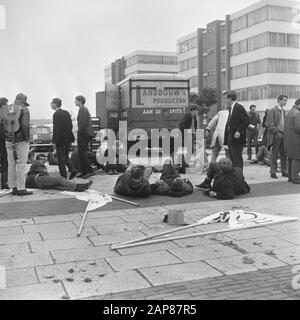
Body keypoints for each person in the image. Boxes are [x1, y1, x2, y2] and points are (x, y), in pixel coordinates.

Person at [0, 93, 32, 196]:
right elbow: (24, 125)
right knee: (21, 164)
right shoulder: (24, 109)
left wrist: (7, 137)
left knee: (11, 164)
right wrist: (27, 139)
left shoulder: (7, 109)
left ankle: (13, 187)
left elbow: (2, 124)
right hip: (21, 141)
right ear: (23, 101)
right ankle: (21, 188)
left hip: (9, 141)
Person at [25, 154, 92, 192]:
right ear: (40, 159)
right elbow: (45, 173)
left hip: (36, 182)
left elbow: (45, 173)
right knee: (59, 179)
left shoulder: (37, 164)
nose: (44, 162)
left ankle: (77, 188)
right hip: (37, 179)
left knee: (58, 186)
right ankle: (76, 186)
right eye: (43, 160)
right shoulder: (36, 162)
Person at [223, 91, 250, 171]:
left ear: (230, 99)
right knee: (233, 159)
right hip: (231, 138)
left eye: (225, 99)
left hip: (237, 139)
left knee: (237, 159)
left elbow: (246, 121)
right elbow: (229, 124)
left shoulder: (239, 107)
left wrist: (239, 130)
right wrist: (226, 140)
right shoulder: (231, 108)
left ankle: (239, 177)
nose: (225, 101)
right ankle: (234, 176)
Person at [51, 98, 77, 179]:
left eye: (52, 103)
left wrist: (54, 140)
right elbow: (71, 126)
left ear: (55, 104)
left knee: (60, 159)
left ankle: (63, 177)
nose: (51, 105)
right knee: (65, 155)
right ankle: (72, 169)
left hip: (60, 139)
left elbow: (56, 128)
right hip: (68, 138)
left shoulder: (56, 114)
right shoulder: (66, 113)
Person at [266, 95, 288, 179]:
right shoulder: (273, 110)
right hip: (276, 135)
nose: (286, 102)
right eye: (284, 100)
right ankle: (273, 171)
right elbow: (269, 124)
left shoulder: (283, 110)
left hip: (283, 135)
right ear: (279, 100)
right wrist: (277, 132)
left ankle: (284, 171)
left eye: (286, 101)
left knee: (283, 154)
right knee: (274, 154)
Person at [75, 95, 95, 179]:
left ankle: (89, 171)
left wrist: (79, 132)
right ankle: (84, 171)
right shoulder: (83, 109)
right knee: (81, 153)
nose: (75, 102)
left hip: (84, 134)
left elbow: (83, 123)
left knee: (82, 153)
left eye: (76, 100)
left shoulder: (82, 109)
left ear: (80, 101)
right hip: (85, 134)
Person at [284, 98, 300, 184]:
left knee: (290, 158)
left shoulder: (289, 112)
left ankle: (290, 177)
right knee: (297, 158)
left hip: (289, 139)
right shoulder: (297, 113)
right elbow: (298, 128)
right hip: (296, 139)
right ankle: (296, 178)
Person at [0, 97, 9, 189]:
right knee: (4, 164)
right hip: (3, 143)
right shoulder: (3, 116)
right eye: (6, 104)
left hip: (3, 143)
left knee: (5, 164)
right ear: (3, 105)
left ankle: (4, 183)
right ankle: (4, 183)